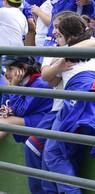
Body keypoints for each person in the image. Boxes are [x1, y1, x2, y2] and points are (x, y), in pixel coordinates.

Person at [42, 13, 95, 194]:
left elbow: (93, 43)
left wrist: (62, 56)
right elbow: (47, 78)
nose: (55, 36)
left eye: (59, 32)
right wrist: (59, 63)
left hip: (81, 100)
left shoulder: (88, 44)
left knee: (53, 152)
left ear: (70, 35)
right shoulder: (68, 50)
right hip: (94, 102)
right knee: (63, 153)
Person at [0, 55, 53, 193]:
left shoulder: (40, 83)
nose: (6, 73)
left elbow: (21, 110)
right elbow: (7, 103)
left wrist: (13, 87)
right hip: (28, 119)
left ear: (22, 69)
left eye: (10, 68)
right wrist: (6, 109)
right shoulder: (18, 83)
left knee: (6, 122)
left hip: (42, 121)